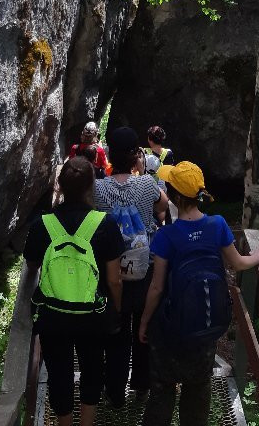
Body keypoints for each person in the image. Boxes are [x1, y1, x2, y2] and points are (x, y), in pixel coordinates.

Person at [139, 161, 259, 426]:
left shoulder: (167, 235)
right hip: (204, 322)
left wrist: (143, 322)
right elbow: (237, 263)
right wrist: (255, 256)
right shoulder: (218, 225)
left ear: (175, 196)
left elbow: (156, 286)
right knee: (198, 388)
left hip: (169, 327)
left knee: (163, 387)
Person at [23, 158, 124, 426]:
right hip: (92, 314)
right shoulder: (105, 224)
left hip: (53, 314)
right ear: (92, 185)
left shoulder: (42, 225)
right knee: (92, 369)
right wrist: (116, 310)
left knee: (58, 373)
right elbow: (114, 280)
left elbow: (32, 264)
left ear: (60, 186)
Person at [95, 127, 168, 407]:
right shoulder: (147, 184)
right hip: (144, 268)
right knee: (143, 327)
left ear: (110, 153)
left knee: (115, 331)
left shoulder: (98, 188)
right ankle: (141, 386)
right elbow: (164, 204)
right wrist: (143, 171)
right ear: (135, 155)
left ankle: (114, 391)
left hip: (111, 270)